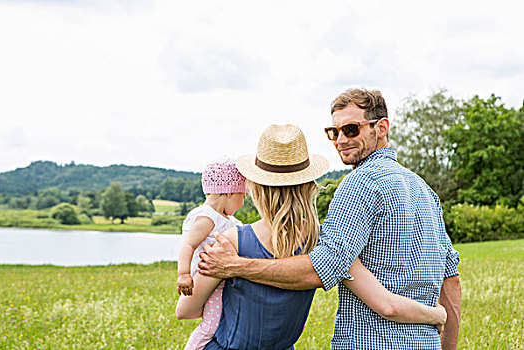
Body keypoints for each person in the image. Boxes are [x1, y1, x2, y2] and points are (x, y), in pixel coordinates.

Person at [199, 90, 462, 350]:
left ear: (381, 127)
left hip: (370, 342)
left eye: (350, 129)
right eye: (333, 132)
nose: (340, 140)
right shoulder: (424, 190)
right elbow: (451, 277)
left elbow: (322, 268)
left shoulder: (359, 184)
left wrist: (236, 266)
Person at [176, 158, 247, 350]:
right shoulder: (208, 217)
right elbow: (188, 245)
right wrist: (183, 274)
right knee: (209, 326)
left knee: (218, 320)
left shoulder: (227, 219)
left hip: (220, 278)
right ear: (229, 192)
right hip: (208, 279)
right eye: (242, 196)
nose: (242, 202)